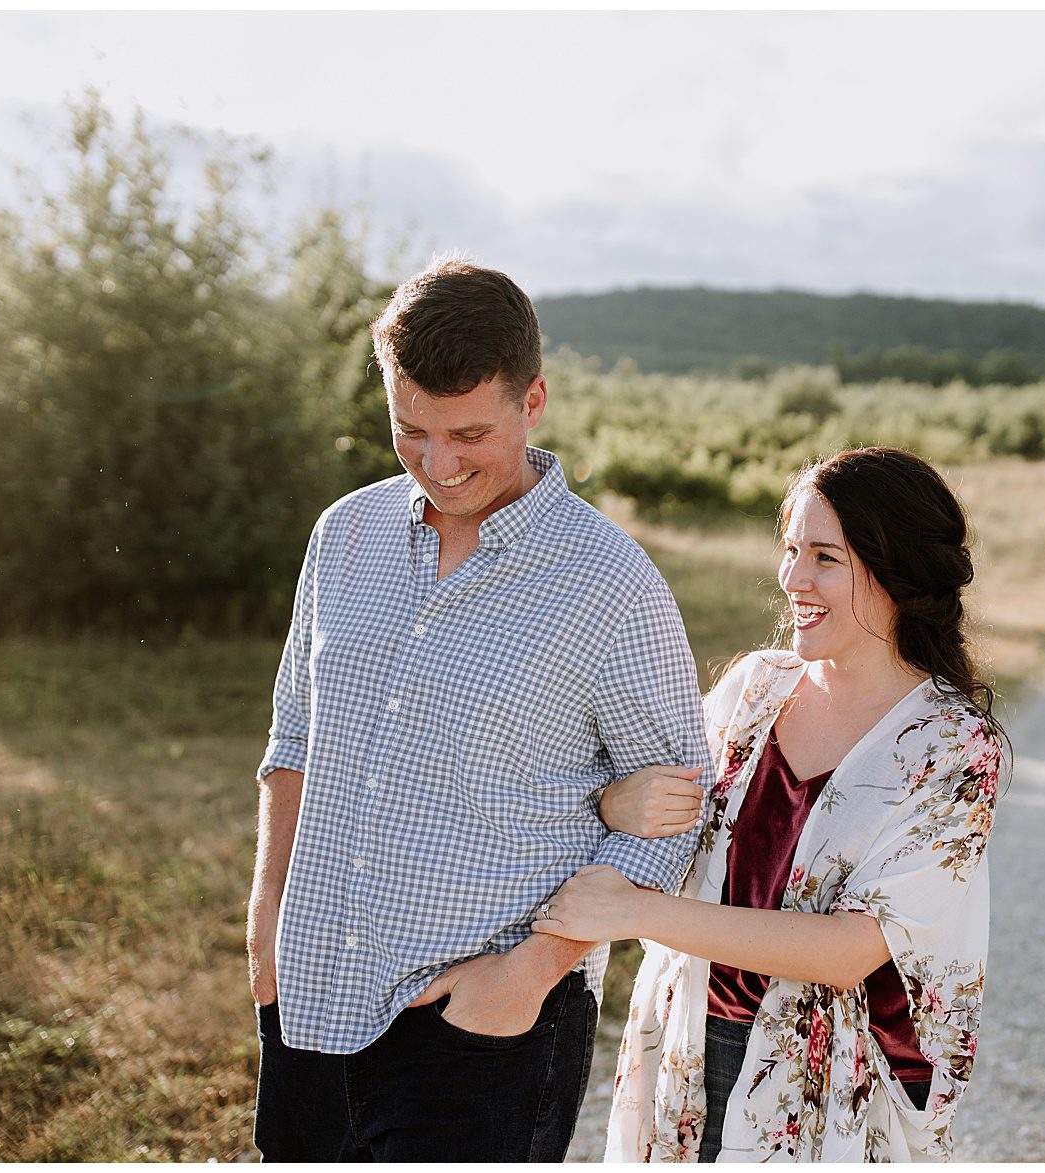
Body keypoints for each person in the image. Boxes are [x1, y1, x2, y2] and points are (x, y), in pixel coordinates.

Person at [246, 259, 709, 1161]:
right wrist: (266, 919)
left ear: (532, 401)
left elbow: (673, 812)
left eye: (469, 433)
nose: (439, 463)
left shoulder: (609, 583)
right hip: (309, 990)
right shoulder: (344, 534)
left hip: (485, 1032)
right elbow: (295, 737)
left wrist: (524, 977)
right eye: (409, 430)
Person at [532, 446, 1006, 1162]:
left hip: (825, 1082)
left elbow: (850, 950)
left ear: (898, 573)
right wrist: (614, 800)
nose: (791, 577)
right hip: (684, 1039)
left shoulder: (955, 744)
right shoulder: (753, 689)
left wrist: (637, 913)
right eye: (790, 550)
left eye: (825, 557)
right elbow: (658, 816)